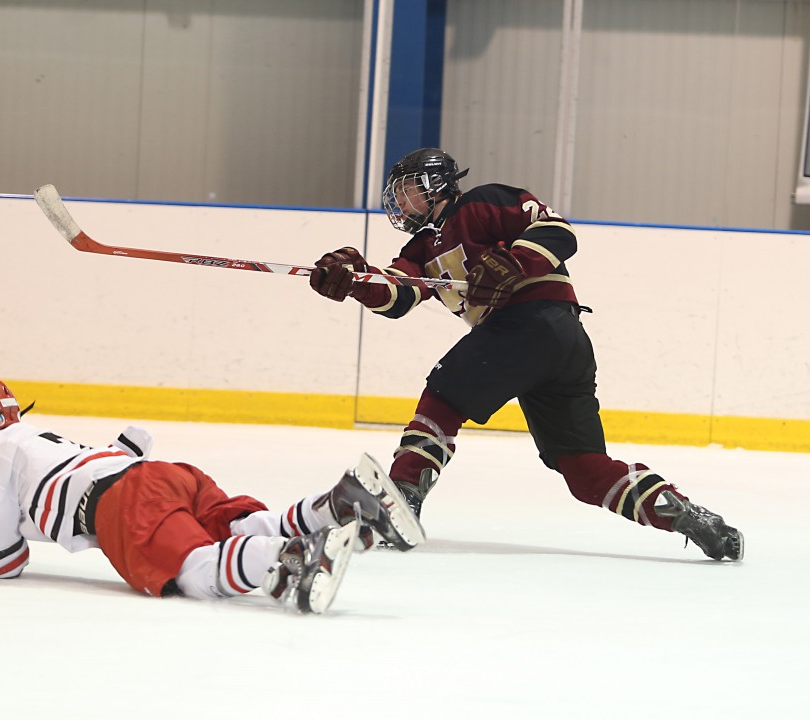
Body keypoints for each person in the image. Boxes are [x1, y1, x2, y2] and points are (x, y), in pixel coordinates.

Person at [309, 147, 743, 562]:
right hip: (554, 343)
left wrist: (513, 262)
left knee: (443, 395)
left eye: (407, 190)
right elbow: (398, 296)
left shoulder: (483, 202)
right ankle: (690, 516)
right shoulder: (421, 249)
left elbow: (557, 230)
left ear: (435, 185)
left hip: (533, 321)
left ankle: (401, 498)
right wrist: (353, 281)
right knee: (584, 471)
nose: (400, 201)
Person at [0, 379, 425, 613]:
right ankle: (334, 506)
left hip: (121, 503)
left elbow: (3, 561)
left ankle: (289, 557)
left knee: (192, 568)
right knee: (234, 525)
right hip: (168, 477)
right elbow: (127, 447)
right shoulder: (33, 437)